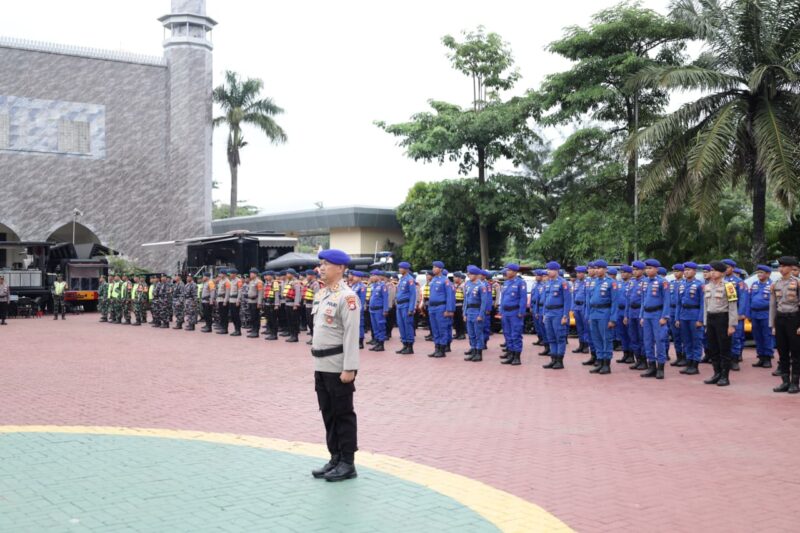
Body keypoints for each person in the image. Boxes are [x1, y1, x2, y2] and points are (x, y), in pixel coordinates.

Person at [309, 249, 360, 482]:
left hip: (339, 366)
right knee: (328, 413)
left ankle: (347, 462)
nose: (321, 267)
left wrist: (350, 368)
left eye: (327, 264)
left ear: (340, 268)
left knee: (343, 414)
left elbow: (351, 335)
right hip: (321, 364)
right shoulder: (321, 294)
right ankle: (335, 457)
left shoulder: (347, 297)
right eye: (321, 263)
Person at [703, 261, 739, 387]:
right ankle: (716, 373)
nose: (712, 273)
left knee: (724, 348)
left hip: (723, 318)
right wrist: (705, 323)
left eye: (715, 270)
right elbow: (705, 306)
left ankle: (725, 376)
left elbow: (733, 306)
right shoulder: (708, 286)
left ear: (722, 273)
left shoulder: (729, 286)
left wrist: (732, 325)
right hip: (711, 318)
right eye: (711, 270)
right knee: (713, 348)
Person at [770, 256, 800, 394]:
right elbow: (773, 306)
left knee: (795, 352)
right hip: (780, 319)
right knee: (782, 352)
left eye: (783, 266)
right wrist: (773, 325)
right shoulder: (776, 284)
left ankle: (795, 383)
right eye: (779, 267)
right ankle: (785, 382)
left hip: (794, 319)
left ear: (790, 267)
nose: (781, 269)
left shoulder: (798, 283)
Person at [639, 259, 670, 379]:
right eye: (647, 268)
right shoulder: (644, 282)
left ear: (656, 269)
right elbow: (643, 300)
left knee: (659, 341)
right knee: (647, 341)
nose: (648, 270)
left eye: (650, 268)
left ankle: (660, 368)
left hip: (658, 315)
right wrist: (641, 315)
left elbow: (667, 301)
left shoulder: (663, 282)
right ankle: (651, 366)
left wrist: (664, 316)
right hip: (647, 315)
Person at [587, 260, 617, 375]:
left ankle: (606, 364)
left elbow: (615, 302)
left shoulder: (611, 282)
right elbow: (590, 299)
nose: (597, 270)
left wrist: (612, 319)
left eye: (599, 268)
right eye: (595, 268)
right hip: (594, 312)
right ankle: (599, 362)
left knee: (606, 339)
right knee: (596, 339)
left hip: (605, 313)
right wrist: (589, 315)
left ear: (605, 270)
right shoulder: (593, 282)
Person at [675, 262, 704, 375]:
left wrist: (700, 319)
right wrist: (677, 318)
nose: (686, 272)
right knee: (686, 341)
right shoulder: (681, 284)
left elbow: (702, 304)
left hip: (694, 314)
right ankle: (689, 364)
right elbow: (678, 303)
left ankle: (695, 365)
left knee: (696, 340)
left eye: (689, 270)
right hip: (683, 315)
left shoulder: (699, 285)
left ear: (694, 271)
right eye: (685, 270)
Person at [542, 262, 571, 370]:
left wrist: (565, 316)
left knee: (560, 338)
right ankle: (553, 359)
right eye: (548, 270)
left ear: (556, 271)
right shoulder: (548, 283)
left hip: (558, 313)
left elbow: (567, 301)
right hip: (549, 313)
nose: (548, 272)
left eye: (550, 270)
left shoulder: (563, 283)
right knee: (551, 338)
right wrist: (544, 314)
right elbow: (545, 300)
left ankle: (559, 361)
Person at [499, 263, 527, 366]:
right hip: (506, 312)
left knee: (516, 335)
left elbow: (523, 298)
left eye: (509, 270)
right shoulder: (506, 283)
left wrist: (521, 312)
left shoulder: (520, 283)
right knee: (507, 334)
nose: (507, 272)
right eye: (507, 270)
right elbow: (503, 298)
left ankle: (517, 357)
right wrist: (501, 310)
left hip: (515, 312)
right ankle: (510, 355)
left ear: (515, 272)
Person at [722, 259, 747, 370]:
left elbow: (742, 299)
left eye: (727, 267)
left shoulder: (737, 282)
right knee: (723, 337)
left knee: (735, 337)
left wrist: (740, 313)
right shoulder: (719, 280)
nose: (725, 269)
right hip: (721, 313)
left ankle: (735, 359)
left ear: (732, 268)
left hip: (734, 312)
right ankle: (725, 359)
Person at [747, 265, 775, 368]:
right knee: (757, 337)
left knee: (767, 336)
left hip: (766, 314)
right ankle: (761, 357)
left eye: (761, 273)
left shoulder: (772, 285)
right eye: (758, 273)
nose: (759, 275)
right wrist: (748, 314)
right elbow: (749, 299)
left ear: (768, 274)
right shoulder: (755, 284)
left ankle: (768, 358)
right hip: (755, 314)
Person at [426, 262, 454, 358]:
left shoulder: (445, 281)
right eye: (433, 267)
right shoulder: (433, 280)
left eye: (435, 267)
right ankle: (436, 348)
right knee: (435, 329)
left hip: (441, 307)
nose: (433, 269)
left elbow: (449, 296)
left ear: (441, 269)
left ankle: (442, 349)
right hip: (432, 307)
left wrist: (449, 310)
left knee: (442, 328)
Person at [463, 265, 489, 362]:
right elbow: (466, 300)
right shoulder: (468, 284)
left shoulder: (481, 286)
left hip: (477, 312)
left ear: (477, 275)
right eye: (468, 273)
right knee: (471, 334)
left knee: (478, 334)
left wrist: (481, 315)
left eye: (471, 273)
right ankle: (473, 351)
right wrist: (464, 313)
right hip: (469, 312)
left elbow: (484, 302)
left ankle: (479, 353)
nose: (469, 275)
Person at [395, 262, 417, 355]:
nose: (400, 269)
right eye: (399, 268)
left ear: (406, 269)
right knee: (401, 325)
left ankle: (410, 346)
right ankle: (404, 345)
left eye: (401, 268)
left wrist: (411, 308)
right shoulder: (402, 279)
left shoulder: (410, 279)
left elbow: (413, 294)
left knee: (407, 325)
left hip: (406, 305)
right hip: (399, 305)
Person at [668, 264, 686, 366]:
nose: (676, 273)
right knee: (676, 336)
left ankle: (685, 357)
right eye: (674, 271)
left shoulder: (684, 283)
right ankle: (679, 356)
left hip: (681, 310)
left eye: (678, 271)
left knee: (684, 335)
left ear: (682, 272)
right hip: (671, 310)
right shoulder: (671, 283)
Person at [367, 270, 389, 352]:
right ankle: (377, 343)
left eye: (372, 276)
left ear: (377, 276)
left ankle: (381, 344)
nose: (371, 278)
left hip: (379, 310)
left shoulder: (383, 286)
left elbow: (385, 298)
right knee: (375, 327)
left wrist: (385, 309)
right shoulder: (373, 286)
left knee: (380, 327)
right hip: (372, 310)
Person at [571, 267, 589, 354]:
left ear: (584, 273)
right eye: (577, 273)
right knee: (579, 327)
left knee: (585, 327)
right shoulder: (576, 283)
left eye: (580, 273)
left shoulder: (587, 282)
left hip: (583, 306)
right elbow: (573, 296)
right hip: (577, 307)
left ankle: (586, 345)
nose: (578, 274)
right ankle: (581, 345)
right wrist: (573, 309)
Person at [349, 271, 368, 349]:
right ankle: (355, 340)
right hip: (352, 308)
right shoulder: (353, 286)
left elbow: (362, 300)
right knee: (353, 325)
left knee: (360, 325)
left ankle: (360, 342)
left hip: (358, 308)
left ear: (359, 278)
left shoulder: (362, 286)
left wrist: (360, 309)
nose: (353, 278)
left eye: (355, 276)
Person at [227, 268, 243, 336]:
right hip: (231, 300)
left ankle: (238, 330)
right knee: (233, 316)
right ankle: (235, 329)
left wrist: (238, 300)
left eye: (231, 273)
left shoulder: (238, 281)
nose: (230, 275)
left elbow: (240, 291)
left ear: (234, 274)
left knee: (236, 316)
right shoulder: (231, 281)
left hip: (235, 300)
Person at [452, 272, 466, 340]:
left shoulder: (463, 286)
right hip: (455, 305)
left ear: (459, 278)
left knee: (461, 321)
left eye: (455, 277)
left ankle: (462, 334)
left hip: (461, 305)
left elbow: (466, 296)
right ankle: (457, 333)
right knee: (455, 321)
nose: (454, 278)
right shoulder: (454, 285)